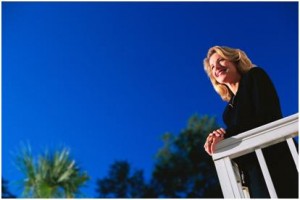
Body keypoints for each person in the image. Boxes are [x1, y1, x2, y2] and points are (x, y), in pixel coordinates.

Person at [202, 46, 298, 198]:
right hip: (254, 175)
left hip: (279, 163)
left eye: (221, 60)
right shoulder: (227, 112)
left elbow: (267, 117)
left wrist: (227, 135)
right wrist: (218, 140)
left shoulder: (255, 76)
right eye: (212, 67)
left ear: (234, 60)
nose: (217, 67)